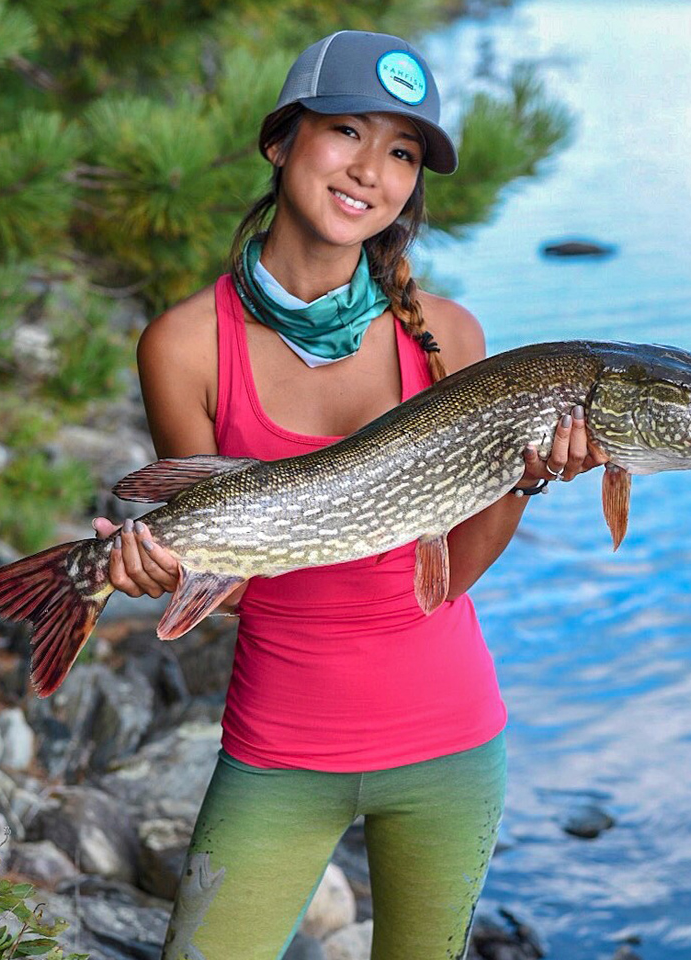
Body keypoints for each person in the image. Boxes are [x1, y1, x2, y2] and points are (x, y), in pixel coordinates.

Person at [93, 29, 605, 960]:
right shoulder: (182, 344)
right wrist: (151, 565)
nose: (372, 170)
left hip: (450, 745)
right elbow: (236, 578)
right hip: (277, 749)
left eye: (403, 152)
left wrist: (524, 479)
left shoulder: (447, 334)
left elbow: (446, 579)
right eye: (347, 132)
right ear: (281, 139)